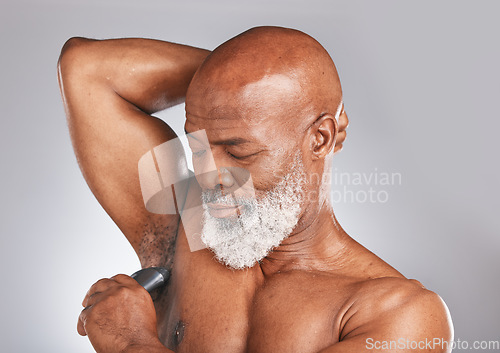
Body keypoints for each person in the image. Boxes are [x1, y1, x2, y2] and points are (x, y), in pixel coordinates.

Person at [57, 26, 453, 353]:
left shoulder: (400, 317)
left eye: (236, 150)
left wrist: (129, 342)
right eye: (198, 145)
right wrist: (238, 80)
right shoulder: (186, 229)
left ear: (320, 139)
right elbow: (86, 70)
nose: (209, 176)